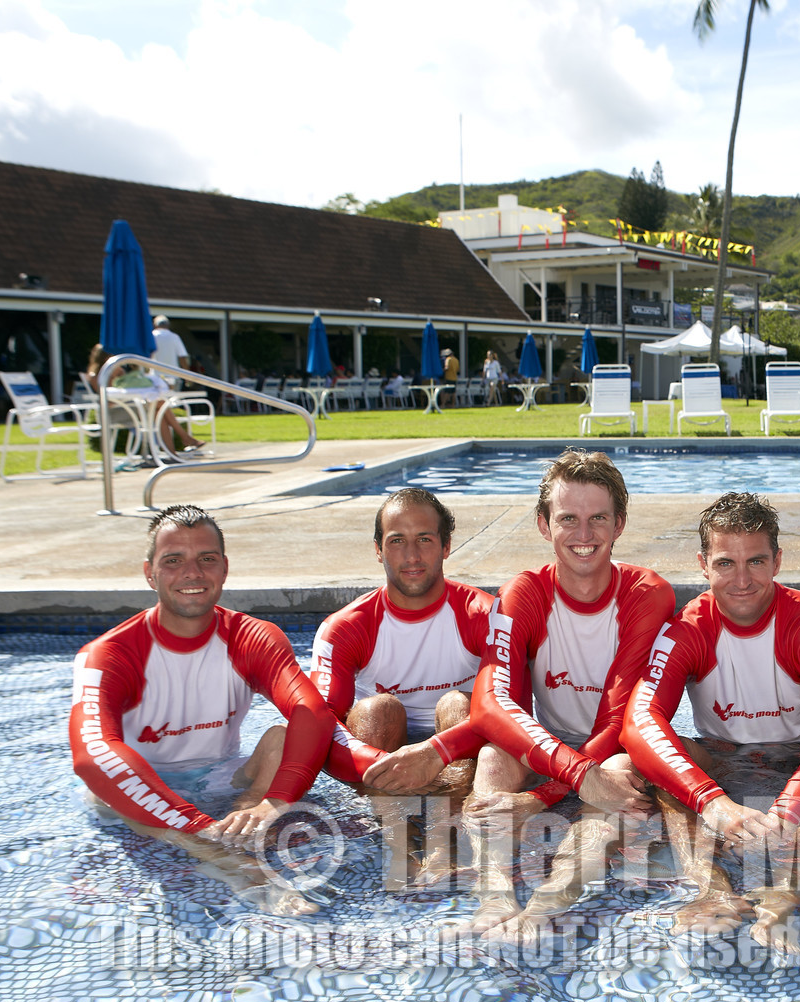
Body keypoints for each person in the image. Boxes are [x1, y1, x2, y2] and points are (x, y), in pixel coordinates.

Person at [621, 493, 800, 952]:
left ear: (777, 561)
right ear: (703, 564)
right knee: (666, 759)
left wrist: (789, 809)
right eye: (725, 563)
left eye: (755, 561)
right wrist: (712, 802)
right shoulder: (689, 628)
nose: (742, 580)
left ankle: (785, 896)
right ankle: (712, 891)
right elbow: (640, 721)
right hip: (726, 766)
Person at [68, 505, 337, 914]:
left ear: (224, 568)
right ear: (150, 573)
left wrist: (273, 801)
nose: (192, 573)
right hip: (142, 789)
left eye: (205, 559)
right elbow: (92, 756)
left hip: (220, 777)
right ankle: (233, 862)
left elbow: (312, 712)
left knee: (282, 737)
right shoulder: (110, 654)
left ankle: (242, 823)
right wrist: (197, 827)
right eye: (173, 561)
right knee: (104, 790)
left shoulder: (252, 638)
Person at [462, 448, 674, 936]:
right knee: (495, 756)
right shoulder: (525, 592)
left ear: (619, 523)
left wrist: (541, 798)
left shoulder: (647, 594)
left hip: (617, 749)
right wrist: (569, 777)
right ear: (543, 524)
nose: (584, 536)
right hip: (552, 747)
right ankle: (492, 898)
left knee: (619, 774)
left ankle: (546, 905)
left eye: (598, 518)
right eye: (568, 519)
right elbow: (494, 704)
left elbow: (620, 720)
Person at [310, 489, 492, 799]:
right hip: (381, 753)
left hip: (458, 753)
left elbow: (512, 712)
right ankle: (392, 834)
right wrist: (391, 765)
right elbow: (319, 727)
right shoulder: (345, 628)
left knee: (457, 705)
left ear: (446, 546)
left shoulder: (485, 615)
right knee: (378, 710)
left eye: (424, 539)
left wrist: (432, 754)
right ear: (378, 550)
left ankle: (448, 831)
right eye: (397, 541)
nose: (411, 556)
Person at [146, 316, 205, 456]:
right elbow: (182, 356)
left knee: (164, 408)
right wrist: (187, 377)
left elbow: (146, 357)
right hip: (171, 378)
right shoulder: (174, 337)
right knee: (169, 407)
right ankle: (183, 440)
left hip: (154, 378)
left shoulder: (150, 337)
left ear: (155, 325)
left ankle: (178, 444)